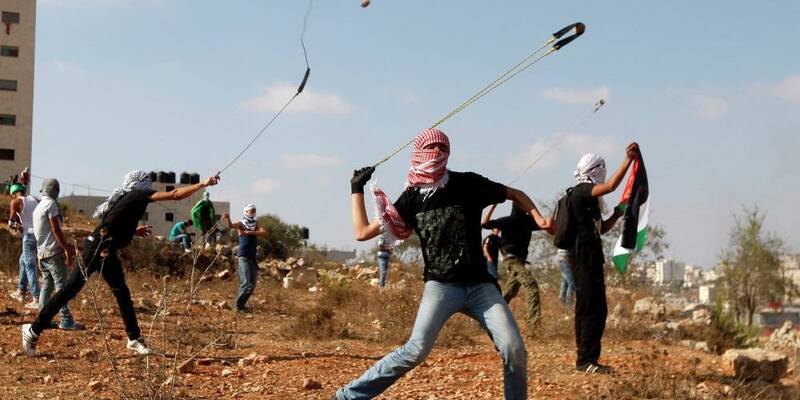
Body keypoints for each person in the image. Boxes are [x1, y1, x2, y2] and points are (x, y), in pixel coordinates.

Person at [334, 128, 551, 400]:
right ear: (418, 153)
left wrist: (540, 219)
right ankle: (347, 396)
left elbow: (515, 193)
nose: (436, 153)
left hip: (481, 288)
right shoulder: (412, 198)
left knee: (514, 348)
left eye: (442, 148)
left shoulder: (468, 184)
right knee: (416, 350)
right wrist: (356, 189)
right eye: (431, 147)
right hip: (441, 287)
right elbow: (362, 232)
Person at [21, 170, 220, 357]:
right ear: (139, 184)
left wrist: (134, 231)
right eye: (147, 182)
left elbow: (114, 224)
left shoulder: (132, 201)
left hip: (106, 251)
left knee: (122, 293)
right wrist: (203, 184)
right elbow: (175, 194)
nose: (150, 185)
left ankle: (134, 338)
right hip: (96, 248)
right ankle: (33, 329)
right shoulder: (137, 195)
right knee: (69, 290)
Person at [569, 143, 639, 374]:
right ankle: (586, 361)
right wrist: (628, 161)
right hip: (583, 257)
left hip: (590, 256)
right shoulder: (580, 191)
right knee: (591, 309)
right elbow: (610, 186)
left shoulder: (589, 200)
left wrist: (618, 213)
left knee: (594, 307)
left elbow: (602, 229)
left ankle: (587, 359)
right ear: (594, 171)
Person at [482, 204, 544, 329]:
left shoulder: (508, 221)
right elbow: (544, 223)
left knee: (509, 293)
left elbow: (484, 223)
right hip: (513, 261)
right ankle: (534, 325)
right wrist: (533, 210)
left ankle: (487, 318)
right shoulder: (526, 221)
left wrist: (493, 206)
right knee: (531, 285)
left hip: (516, 261)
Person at [32, 179, 83, 330]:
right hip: (53, 253)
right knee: (62, 287)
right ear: (54, 189)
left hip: (42, 253)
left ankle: (43, 319)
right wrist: (67, 249)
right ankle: (66, 320)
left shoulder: (38, 207)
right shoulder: (51, 205)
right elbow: (56, 230)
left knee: (47, 286)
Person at [223, 205, 267, 312]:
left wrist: (250, 232)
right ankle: (237, 306)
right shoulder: (241, 223)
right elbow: (231, 226)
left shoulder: (255, 224)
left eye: (254, 211)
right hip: (243, 256)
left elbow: (264, 232)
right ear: (246, 212)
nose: (253, 213)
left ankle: (241, 305)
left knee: (252, 284)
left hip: (252, 257)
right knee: (246, 282)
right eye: (251, 211)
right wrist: (228, 218)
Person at [8, 183, 40, 309]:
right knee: (23, 261)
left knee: (30, 266)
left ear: (13, 193)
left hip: (29, 236)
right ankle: (21, 291)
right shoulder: (33, 199)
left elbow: (11, 223)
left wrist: (20, 227)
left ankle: (37, 298)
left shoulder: (15, 202)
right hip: (39, 235)